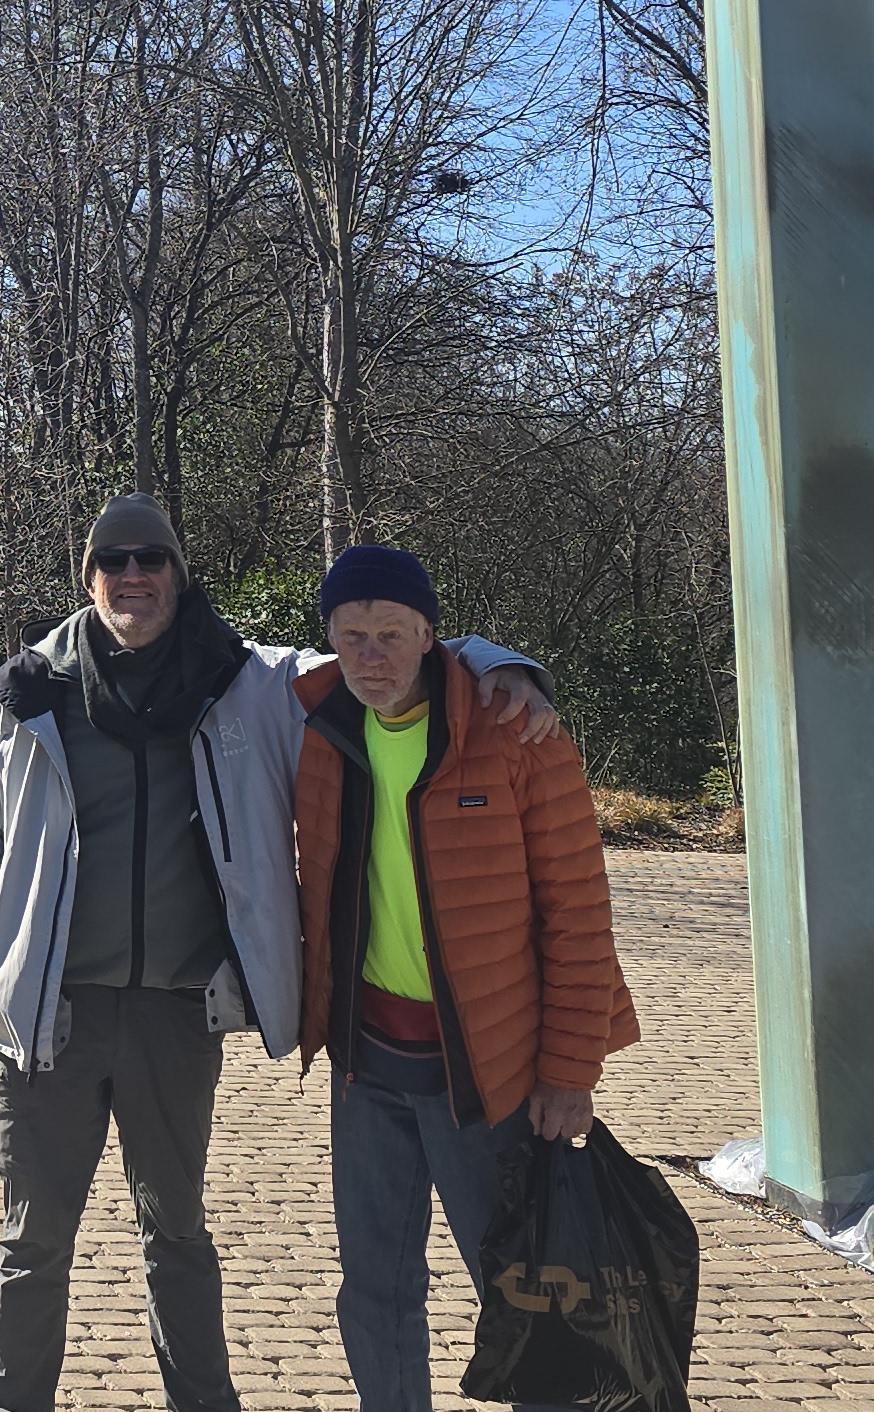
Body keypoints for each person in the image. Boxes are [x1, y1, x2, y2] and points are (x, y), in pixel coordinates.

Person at [0, 499, 559, 1412]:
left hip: (176, 1016)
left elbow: (378, 650)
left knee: (177, 1233)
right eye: (115, 560)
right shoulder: (26, 691)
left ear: (178, 574)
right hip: (51, 1016)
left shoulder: (247, 683)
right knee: (34, 1241)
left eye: (152, 558)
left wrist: (503, 665)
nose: (133, 575)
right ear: (88, 575)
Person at [291, 544, 636, 1412]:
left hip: (487, 1073)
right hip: (366, 1063)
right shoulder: (320, 727)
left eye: (391, 633)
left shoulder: (518, 732)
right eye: (352, 634)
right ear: (329, 638)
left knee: (522, 1284)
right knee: (374, 1286)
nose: (371, 655)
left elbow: (579, 914)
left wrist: (570, 1073)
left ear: (430, 636)